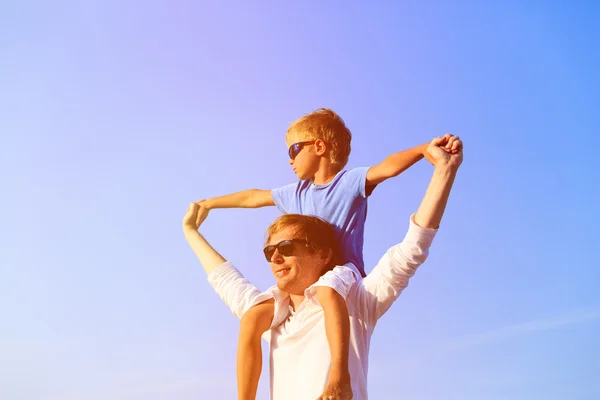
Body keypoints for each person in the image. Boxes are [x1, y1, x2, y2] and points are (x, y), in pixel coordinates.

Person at [183, 135, 463, 400]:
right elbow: (224, 279)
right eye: (270, 252)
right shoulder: (272, 314)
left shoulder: (356, 302)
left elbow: (412, 248)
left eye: (287, 247)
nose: (276, 258)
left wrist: (445, 170)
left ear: (322, 254)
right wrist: (191, 231)